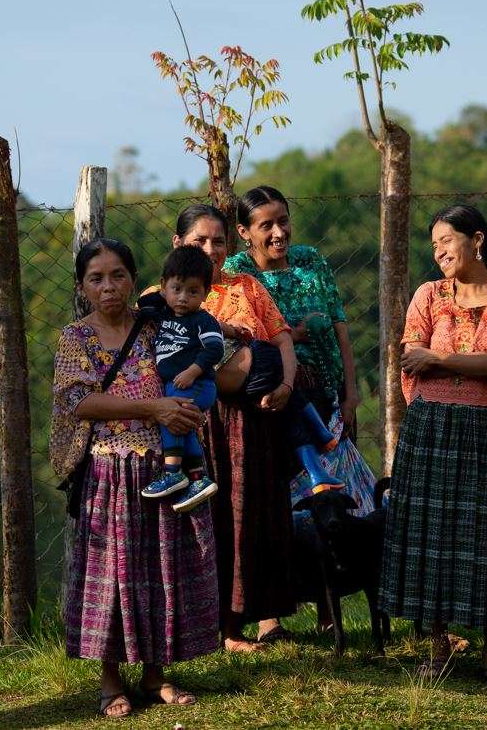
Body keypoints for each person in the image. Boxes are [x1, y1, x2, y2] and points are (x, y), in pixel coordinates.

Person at [51, 238, 219, 718]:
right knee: (112, 577)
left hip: (162, 466)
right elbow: (76, 403)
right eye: (96, 278)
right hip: (109, 469)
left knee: (161, 571)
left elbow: (195, 367)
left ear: (134, 278)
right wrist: (155, 407)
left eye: (118, 275)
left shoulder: (157, 326)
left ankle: (155, 674)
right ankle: (109, 681)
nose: (109, 287)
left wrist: (187, 409)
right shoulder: (76, 338)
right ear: (82, 287)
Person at [381, 204, 487, 692]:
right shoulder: (428, 295)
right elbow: (411, 357)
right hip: (431, 429)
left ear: (477, 240)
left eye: (446, 241)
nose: (439, 252)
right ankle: (437, 645)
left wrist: (442, 359)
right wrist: (456, 362)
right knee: (434, 537)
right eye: (434, 245)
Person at [171, 204, 300, 649]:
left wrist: (285, 383)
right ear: (178, 245)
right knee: (205, 519)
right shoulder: (163, 295)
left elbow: (281, 337)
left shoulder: (246, 285)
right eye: (199, 241)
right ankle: (210, 626)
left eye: (219, 241)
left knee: (251, 515)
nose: (211, 250)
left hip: (249, 421)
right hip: (193, 423)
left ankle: (251, 620)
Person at [224, 185, 375, 512]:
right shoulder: (238, 272)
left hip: (328, 397)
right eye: (266, 226)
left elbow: (340, 329)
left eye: (284, 221)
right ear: (244, 232)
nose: (279, 233)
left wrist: (350, 397)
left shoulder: (311, 261)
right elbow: (245, 337)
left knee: (340, 507)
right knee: (289, 503)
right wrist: (294, 336)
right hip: (276, 401)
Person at [140, 245, 225, 513]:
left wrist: (192, 371)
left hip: (198, 384)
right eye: (176, 289)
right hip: (176, 385)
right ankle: (198, 478)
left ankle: (173, 472)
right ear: (164, 286)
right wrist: (160, 297)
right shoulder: (164, 315)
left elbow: (215, 349)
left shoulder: (203, 320)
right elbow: (145, 306)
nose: (183, 298)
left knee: (173, 419)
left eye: (193, 291)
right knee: (184, 425)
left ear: (205, 293)